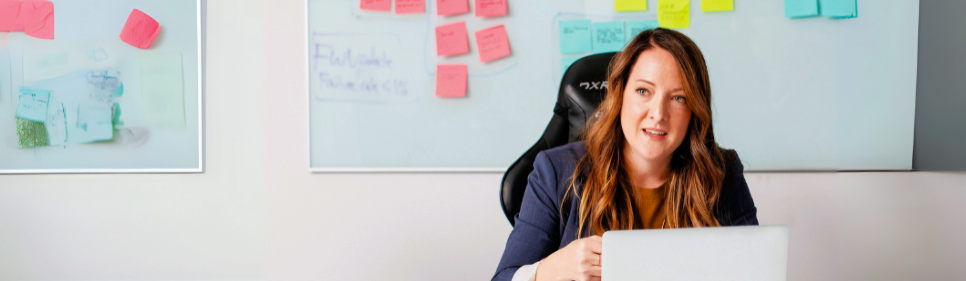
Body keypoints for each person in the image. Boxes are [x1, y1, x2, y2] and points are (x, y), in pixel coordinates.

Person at [492, 28, 758, 281]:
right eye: (644, 91)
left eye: (679, 98)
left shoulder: (722, 173)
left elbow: (757, 271)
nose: (658, 114)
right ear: (619, 95)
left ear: (694, 111)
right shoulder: (555, 171)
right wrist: (555, 267)